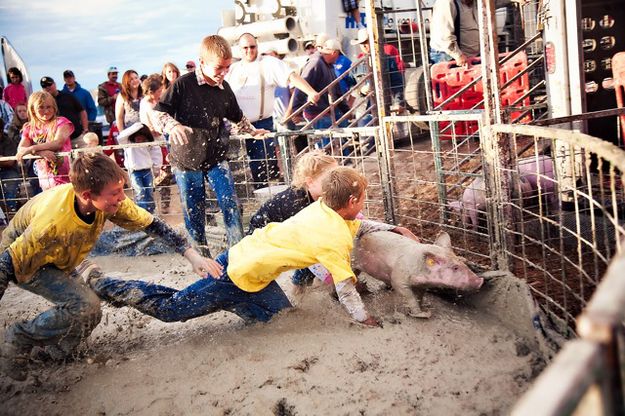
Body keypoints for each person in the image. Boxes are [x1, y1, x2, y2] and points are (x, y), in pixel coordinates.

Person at [87, 166, 404, 328]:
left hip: (255, 274)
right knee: (173, 310)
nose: (363, 205)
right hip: (236, 272)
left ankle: (234, 303)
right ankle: (107, 285)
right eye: (363, 199)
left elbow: (359, 224)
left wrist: (391, 228)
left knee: (281, 319)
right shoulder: (332, 239)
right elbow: (346, 289)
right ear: (351, 202)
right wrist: (366, 319)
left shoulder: (323, 209)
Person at [0, 152, 219, 381]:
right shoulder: (51, 224)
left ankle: (54, 352)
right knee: (85, 306)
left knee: (90, 312)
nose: (122, 198)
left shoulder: (107, 198)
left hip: (62, 255)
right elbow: (5, 264)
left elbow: (153, 225)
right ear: (87, 195)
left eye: (122, 190)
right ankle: (19, 337)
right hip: (27, 262)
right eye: (115, 193)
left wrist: (193, 257)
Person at [151, 34, 265, 254]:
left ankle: (238, 252)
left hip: (215, 156)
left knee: (230, 203)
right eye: (219, 68)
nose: (223, 73)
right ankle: (202, 258)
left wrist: (252, 130)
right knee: (194, 212)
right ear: (202, 62)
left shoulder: (225, 89)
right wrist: (173, 126)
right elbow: (159, 113)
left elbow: (237, 116)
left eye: (227, 67)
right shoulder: (183, 84)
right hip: (186, 160)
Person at [248, 150, 417, 288]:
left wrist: (390, 228)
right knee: (310, 254)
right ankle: (301, 287)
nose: (335, 181)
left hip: (290, 234)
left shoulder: (324, 197)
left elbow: (353, 221)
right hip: (261, 236)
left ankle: (301, 285)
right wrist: (339, 279)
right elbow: (314, 246)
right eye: (330, 177)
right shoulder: (297, 204)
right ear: (310, 181)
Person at [226, 33, 319, 189]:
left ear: (257, 46)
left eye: (252, 47)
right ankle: (250, 202)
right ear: (239, 50)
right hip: (237, 128)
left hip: (261, 124)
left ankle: (269, 199)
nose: (249, 51)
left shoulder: (268, 63)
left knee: (265, 168)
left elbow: (291, 76)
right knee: (239, 172)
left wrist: (310, 91)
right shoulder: (233, 70)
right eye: (245, 48)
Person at [16, 91, 73, 190]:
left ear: (54, 107)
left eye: (49, 107)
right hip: (45, 177)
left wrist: (33, 148)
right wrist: (41, 152)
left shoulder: (62, 122)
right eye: (41, 107)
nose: (46, 111)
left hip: (66, 176)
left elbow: (58, 143)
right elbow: (21, 149)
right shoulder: (29, 127)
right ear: (33, 110)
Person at [429, 0, 511, 65]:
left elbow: (492, 2)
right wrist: (458, 55)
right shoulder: (446, 3)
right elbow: (443, 35)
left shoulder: (472, 2)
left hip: (471, 57)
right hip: (450, 57)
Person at [292, 38, 350, 129]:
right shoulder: (316, 63)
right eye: (338, 55)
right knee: (327, 140)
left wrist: (346, 110)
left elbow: (337, 89)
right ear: (334, 53)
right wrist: (296, 111)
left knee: (331, 139)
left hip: (325, 111)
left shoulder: (327, 65)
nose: (338, 58)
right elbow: (302, 84)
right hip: (317, 112)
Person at [140, 74, 172, 213]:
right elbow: (151, 124)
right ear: (152, 92)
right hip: (154, 141)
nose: (161, 93)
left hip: (159, 140)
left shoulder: (151, 102)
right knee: (160, 171)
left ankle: (164, 204)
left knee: (164, 170)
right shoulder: (148, 105)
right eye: (159, 91)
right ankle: (158, 204)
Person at [351, 29, 404, 111]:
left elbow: (396, 83)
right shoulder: (356, 65)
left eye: (366, 42)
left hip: (384, 105)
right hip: (363, 108)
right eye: (361, 43)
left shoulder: (387, 60)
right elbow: (349, 85)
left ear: (373, 42)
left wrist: (398, 103)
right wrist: (360, 90)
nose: (364, 46)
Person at [116, 123, 161, 213]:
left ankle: (151, 213)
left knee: (149, 192)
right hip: (134, 172)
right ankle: (143, 214)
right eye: (138, 138)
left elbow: (156, 155)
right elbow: (120, 136)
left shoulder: (149, 143)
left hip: (148, 171)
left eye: (143, 138)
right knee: (140, 193)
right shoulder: (127, 142)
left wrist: (156, 169)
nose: (140, 140)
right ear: (133, 136)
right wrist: (138, 126)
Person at [40, 76, 88, 143]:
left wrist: (85, 129)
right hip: (57, 140)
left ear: (54, 84)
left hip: (76, 137)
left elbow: (82, 111)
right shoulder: (43, 103)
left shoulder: (68, 96)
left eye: (49, 84)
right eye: (44, 86)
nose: (47, 87)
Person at [0, 119, 21, 212]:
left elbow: (9, 162)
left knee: (9, 186)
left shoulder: (8, 142)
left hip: (9, 171)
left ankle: (11, 211)